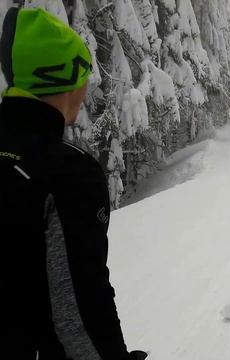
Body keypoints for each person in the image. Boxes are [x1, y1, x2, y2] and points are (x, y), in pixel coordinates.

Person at [0, 7, 146, 360]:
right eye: (84, 74)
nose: (89, 85)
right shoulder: (68, 174)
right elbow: (79, 310)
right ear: (64, 79)